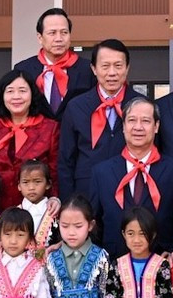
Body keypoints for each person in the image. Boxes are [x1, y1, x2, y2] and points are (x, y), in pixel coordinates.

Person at [89, 97, 173, 255]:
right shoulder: (101, 172)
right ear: (123, 126)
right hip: (113, 261)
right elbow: (94, 224)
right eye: (132, 120)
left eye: (146, 121)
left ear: (156, 126)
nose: (138, 127)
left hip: (161, 262)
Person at [58, 40, 140, 204]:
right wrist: (68, 203)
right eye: (105, 66)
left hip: (130, 191)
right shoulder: (76, 106)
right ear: (94, 69)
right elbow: (66, 160)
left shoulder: (141, 105)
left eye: (118, 66)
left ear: (127, 68)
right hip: (85, 193)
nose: (112, 73)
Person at [0, 69, 59, 209]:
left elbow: (55, 170)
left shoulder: (50, 128)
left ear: (32, 94)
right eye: (10, 91)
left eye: (22, 91)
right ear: (2, 96)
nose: (16, 96)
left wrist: (55, 197)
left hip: (36, 209)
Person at [17, 8, 95, 118]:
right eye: (52, 33)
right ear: (40, 38)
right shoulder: (24, 70)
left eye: (64, 33)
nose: (59, 38)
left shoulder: (88, 69)